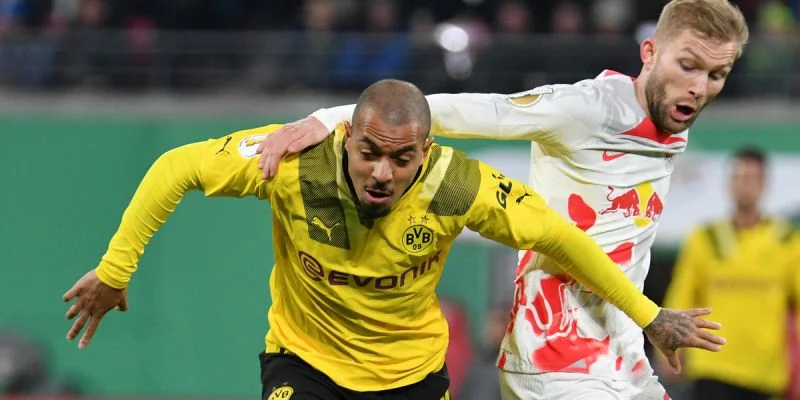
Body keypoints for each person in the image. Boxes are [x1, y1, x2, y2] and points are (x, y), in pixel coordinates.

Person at [62, 80, 723, 400]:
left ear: (426, 152)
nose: (382, 172)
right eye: (369, 153)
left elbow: (560, 237)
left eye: (401, 159)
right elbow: (176, 167)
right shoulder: (291, 163)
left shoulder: (461, 187)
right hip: (305, 365)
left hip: (411, 380)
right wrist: (116, 270)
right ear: (347, 137)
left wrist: (648, 316)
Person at [253, 1, 749, 398]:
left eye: (716, 75)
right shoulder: (584, 110)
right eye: (687, 66)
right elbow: (460, 111)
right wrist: (327, 118)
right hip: (556, 357)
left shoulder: (669, 123)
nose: (698, 88)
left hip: (621, 353)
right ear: (649, 53)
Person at [661, 147, 800, 400]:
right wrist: (669, 341)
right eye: (739, 177)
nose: (745, 185)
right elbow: (683, 294)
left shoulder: (788, 241)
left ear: (764, 184)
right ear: (729, 183)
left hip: (765, 372)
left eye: (752, 178)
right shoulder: (705, 239)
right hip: (712, 364)